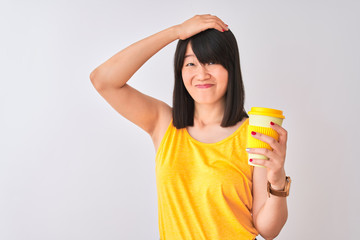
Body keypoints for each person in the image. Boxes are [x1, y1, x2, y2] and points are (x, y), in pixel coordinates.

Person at [90, 14, 290, 240]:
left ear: (231, 67)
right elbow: (103, 80)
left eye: (212, 61)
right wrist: (176, 32)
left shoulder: (253, 134)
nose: (201, 74)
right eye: (191, 63)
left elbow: (268, 230)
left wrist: (277, 178)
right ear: (180, 70)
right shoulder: (164, 124)